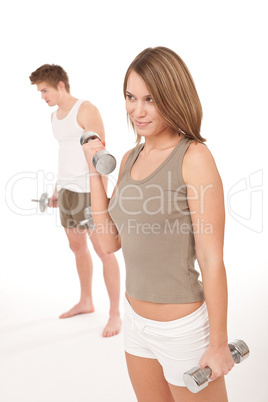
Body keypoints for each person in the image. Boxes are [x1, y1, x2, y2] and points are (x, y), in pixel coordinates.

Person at [82, 47, 234, 401]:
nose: (137, 110)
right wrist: (93, 173)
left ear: (172, 96)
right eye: (131, 97)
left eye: (150, 99)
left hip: (182, 329)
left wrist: (218, 343)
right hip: (136, 322)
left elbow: (212, 259)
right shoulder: (129, 157)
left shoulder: (193, 157)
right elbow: (108, 244)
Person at [29, 64, 121, 337]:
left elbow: (100, 155)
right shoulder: (55, 117)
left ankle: (115, 313)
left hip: (89, 191)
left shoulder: (86, 109)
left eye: (44, 90)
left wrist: (101, 201)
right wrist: (57, 189)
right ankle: (86, 301)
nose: (42, 96)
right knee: (76, 246)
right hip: (68, 190)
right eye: (39, 91)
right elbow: (66, 152)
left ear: (60, 85)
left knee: (103, 250)